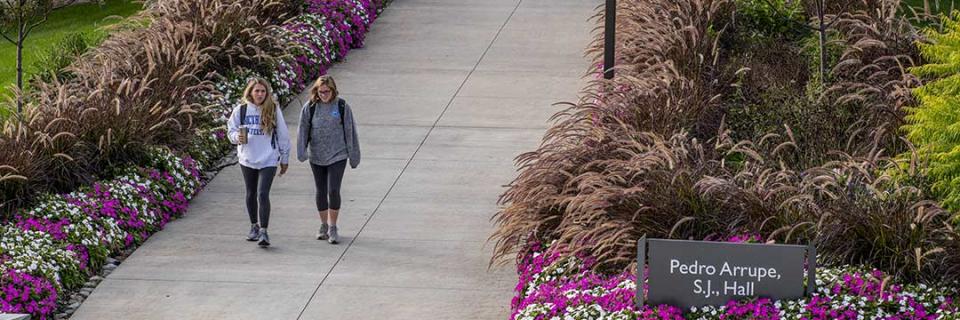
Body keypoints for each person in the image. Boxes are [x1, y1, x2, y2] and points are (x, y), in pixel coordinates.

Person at [227, 77, 291, 248]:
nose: (260, 94)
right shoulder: (241, 110)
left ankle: (264, 230)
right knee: (250, 192)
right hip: (247, 158)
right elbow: (231, 131)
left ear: (267, 93)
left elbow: (283, 135)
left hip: (268, 158)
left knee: (262, 194)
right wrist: (236, 138)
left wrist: (284, 159)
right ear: (250, 92)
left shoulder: (273, 109)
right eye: (257, 90)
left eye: (263, 91)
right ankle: (253, 225)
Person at [297, 75, 360, 245]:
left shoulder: (341, 106)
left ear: (333, 90)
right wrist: (301, 151)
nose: (324, 95)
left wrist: (354, 156)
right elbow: (303, 130)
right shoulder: (310, 107)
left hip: (338, 155)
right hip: (316, 155)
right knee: (320, 190)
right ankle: (323, 224)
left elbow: (350, 131)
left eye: (327, 91)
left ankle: (333, 226)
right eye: (321, 91)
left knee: (333, 190)